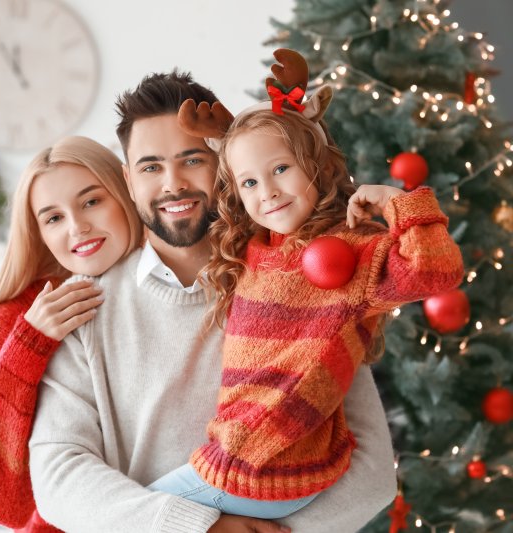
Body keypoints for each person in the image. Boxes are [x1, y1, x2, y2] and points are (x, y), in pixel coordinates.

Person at [28, 70, 400, 533]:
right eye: (150, 167)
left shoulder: (301, 282)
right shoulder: (85, 308)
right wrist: (199, 527)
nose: (172, 184)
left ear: (223, 164)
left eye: (191, 160)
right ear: (128, 178)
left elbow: (375, 471)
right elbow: (58, 473)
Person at [146, 50, 465, 519]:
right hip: (246, 459)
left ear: (315, 163)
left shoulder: (349, 251)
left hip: (269, 465)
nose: (268, 191)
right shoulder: (255, 251)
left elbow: (437, 271)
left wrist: (398, 203)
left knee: (137, 517)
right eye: (249, 182)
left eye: (280, 169)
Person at [0, 136, 143, 531]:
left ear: (126, 192)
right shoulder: (17, 316)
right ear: (39, 233)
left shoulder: (173, 276)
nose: (78, 227)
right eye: (53, 218)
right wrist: (25, 348)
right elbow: (6, 506)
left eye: (91, 201)